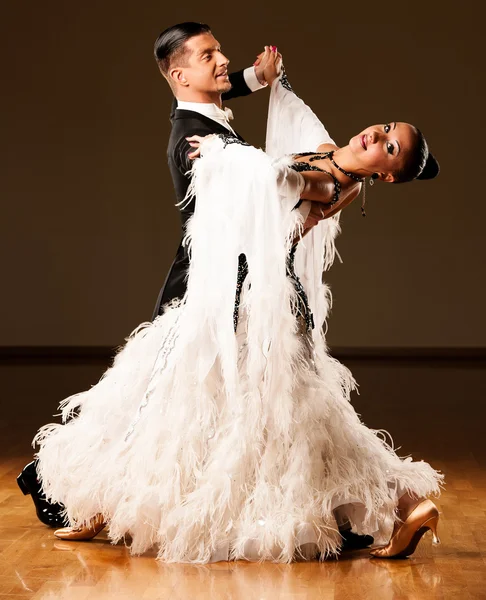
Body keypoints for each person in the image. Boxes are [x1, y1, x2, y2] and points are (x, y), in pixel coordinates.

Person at [33, 30, 442, 563]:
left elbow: (282, 185)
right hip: (241, 288)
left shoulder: (338, 183)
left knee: (224, 404)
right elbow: (273, 157)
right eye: (386, 128)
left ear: (387, 174)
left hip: (252, 298)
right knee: (179, 398)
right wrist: (257, 84)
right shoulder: (323, 152)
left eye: (390, 147)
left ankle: (400, 501)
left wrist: (227, 156)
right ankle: (104, 504)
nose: (377, 136)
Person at [16, 22, 275, 531]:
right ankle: (54, 477)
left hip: (227, 280)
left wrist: (253, 77)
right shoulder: (192, 141)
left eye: (221, 51)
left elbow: (214, 97)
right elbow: (227, 160)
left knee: (194, 398)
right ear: (179, 73)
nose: (222, 60)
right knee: (152, 400)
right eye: (209, 55)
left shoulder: (202, 115)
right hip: (197, 289)